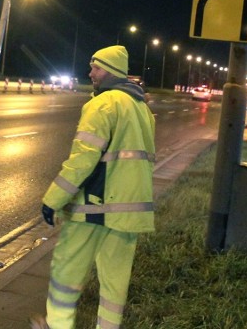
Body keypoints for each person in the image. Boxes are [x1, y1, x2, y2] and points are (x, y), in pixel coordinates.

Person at [31, 45, 155, 329]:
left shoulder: (103, 103)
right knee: (114, 286)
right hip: (131, 212)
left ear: (110, 71)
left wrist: (53, 199)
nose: (90, 73)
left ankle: (57, 325)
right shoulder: (141, 108)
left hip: (95, 207)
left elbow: (83, 159)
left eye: (96, 67)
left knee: (66, 274)